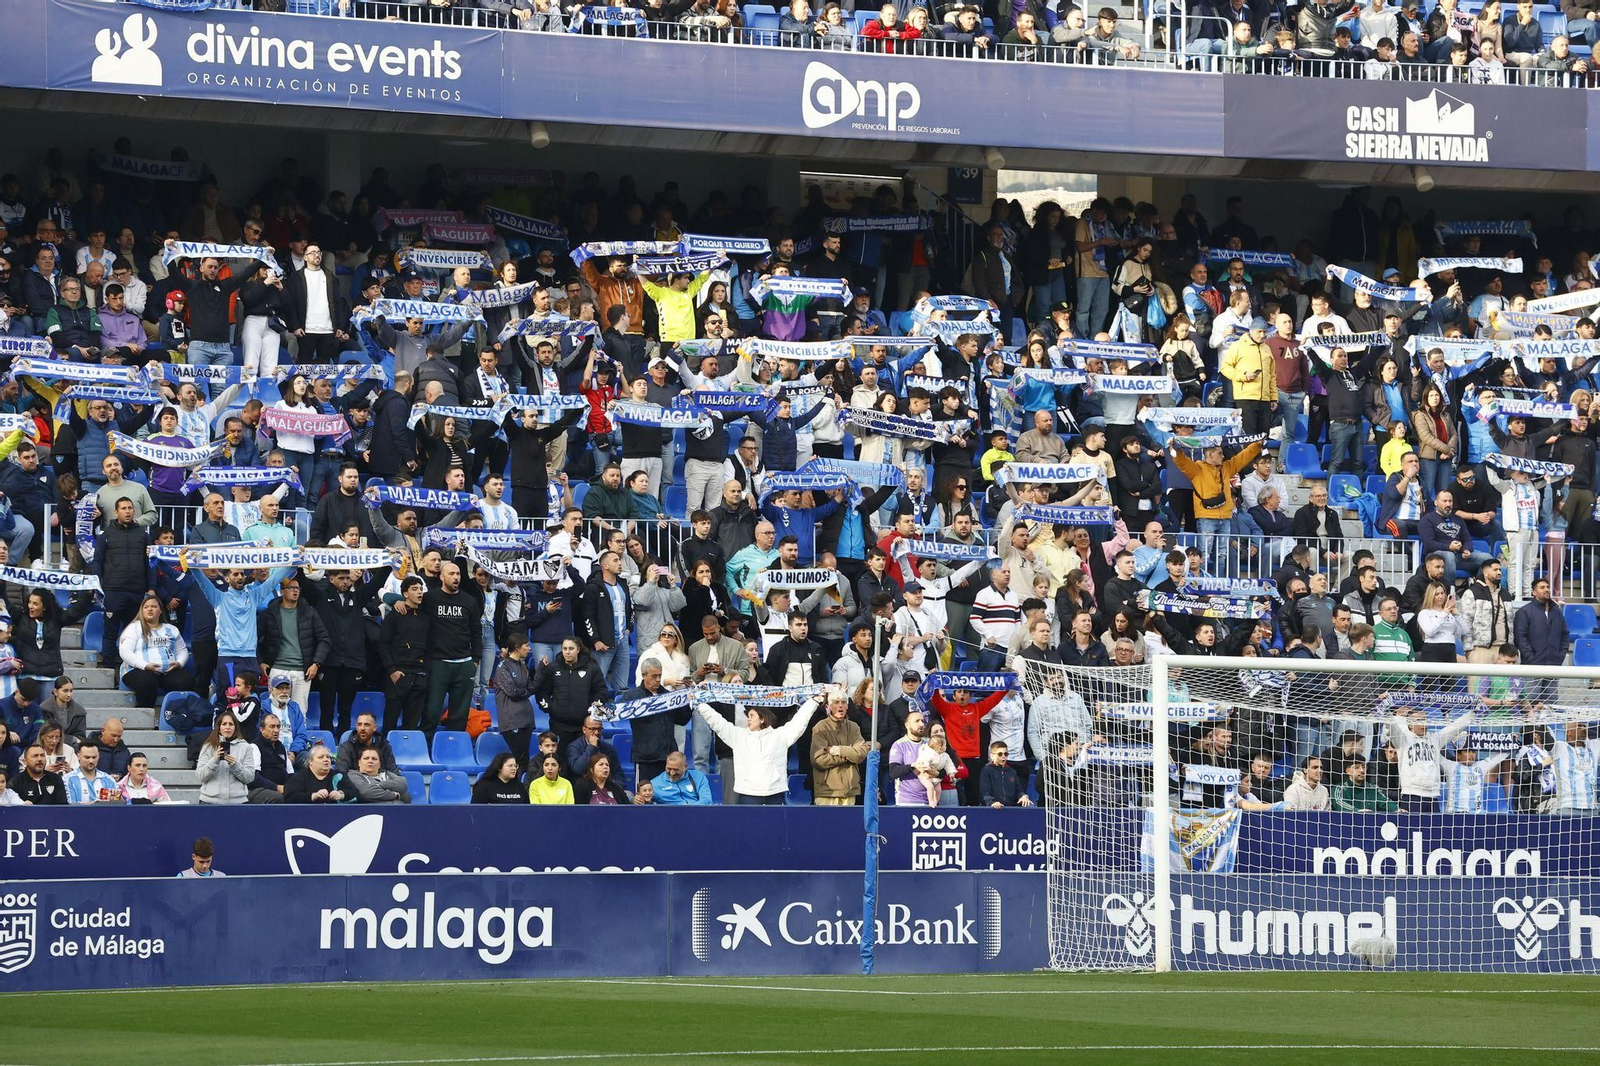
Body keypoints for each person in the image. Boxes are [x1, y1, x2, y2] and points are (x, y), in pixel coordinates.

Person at [693, 697, 818, 804]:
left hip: (774, 793)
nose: (748, 719)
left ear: (762, 719)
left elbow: (799, 722)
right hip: (747, 794)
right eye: (748, 716)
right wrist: (699, 703)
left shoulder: (780, 736)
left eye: (752, 716)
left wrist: (814, 701)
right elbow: (717, 722)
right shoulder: (738, 736)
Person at [117, 594, 198, 709]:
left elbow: (182, 650)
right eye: (146, 607)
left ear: (160, 610)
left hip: (167, 672)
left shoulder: (171, 629)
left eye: (154, 606)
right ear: (142, 611)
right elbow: (125, 652)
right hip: (138, 670)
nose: (150, 609)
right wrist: (145, 666)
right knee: (147, 680)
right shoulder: (133, 628)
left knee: (186, 680)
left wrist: (179, 663)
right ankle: (146, 713)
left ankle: (177, 714)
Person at [1386, 707, 1474, 812]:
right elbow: (1390, 725)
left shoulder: (1435, 739)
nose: (1423, 724)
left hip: (1433, 796)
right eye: (1419, 721)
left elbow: (1455, 727)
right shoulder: (1402, 739)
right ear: (1409, 724)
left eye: (1425, 720)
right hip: (1412, 795)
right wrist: (1385, 710)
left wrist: (1473, 713)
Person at [810, 686, 871, 805]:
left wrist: (838, 750)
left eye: (843, 702)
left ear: (847, 706)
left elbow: (862, 753)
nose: (840, 706)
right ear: (829, 706)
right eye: (836, 702)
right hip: (827, 792)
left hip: (850, 791)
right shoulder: (820, 727)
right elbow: (819, 760)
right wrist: (849, 755)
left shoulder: (853, 727)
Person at [196, 711, 258, 806]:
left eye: (231, 724)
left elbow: (249, 778)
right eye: (224, 724)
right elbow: (200, 776)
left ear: (235, 728)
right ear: (219, 728)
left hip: (238, 802)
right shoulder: (208, 747)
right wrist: (214, 761)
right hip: (209, 802)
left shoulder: (246, 747)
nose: (227, 727)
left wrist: (236, 766)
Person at [334, 711, 397, 776]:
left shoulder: (383, 745)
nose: (362, 728)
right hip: (354, 782)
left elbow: (395, 773)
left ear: (375, 728)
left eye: (366, 725)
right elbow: (341, 775)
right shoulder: (346, 748)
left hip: (380, 781)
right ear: (356, 727)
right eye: (359, 724)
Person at [285, 744, 351, 804]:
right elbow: (289, 797)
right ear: (310, 761)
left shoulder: (338, 775)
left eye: (328, 757)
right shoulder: (300, 777)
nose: (326, 759)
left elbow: (354, 793)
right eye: (321, 757)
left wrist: (342, 795)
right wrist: (313, 796)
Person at [345, 747, 411, 804]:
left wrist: (378, 785)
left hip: (399, 809)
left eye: (374, 759)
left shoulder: (387, 774)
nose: (370, 761)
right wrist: (393, 795)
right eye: (366, 758)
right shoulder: (353, 775)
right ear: (359, 762)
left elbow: (403, 785)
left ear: (379, 764)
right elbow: (366, 792)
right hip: (375, 812)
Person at [980, 741, 1034, 808]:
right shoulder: (987, 771)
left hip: (1011, 809)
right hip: (992, 809)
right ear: (992, 756)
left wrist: (1023, 796)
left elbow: (1019, 791)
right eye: (1000, 754)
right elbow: (985, 792)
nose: (1003, 756)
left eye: (1005, 754)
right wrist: (992, 802)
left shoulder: (1012, 772)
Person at [63, 739, 119, 804]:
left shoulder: (108, 780)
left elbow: (117, 804)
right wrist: (96, 804)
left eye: (94, 757)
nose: (91, 761)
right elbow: (71, 806)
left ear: (99, 756)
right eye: (87, 757)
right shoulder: (68, 779)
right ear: (78, 756)